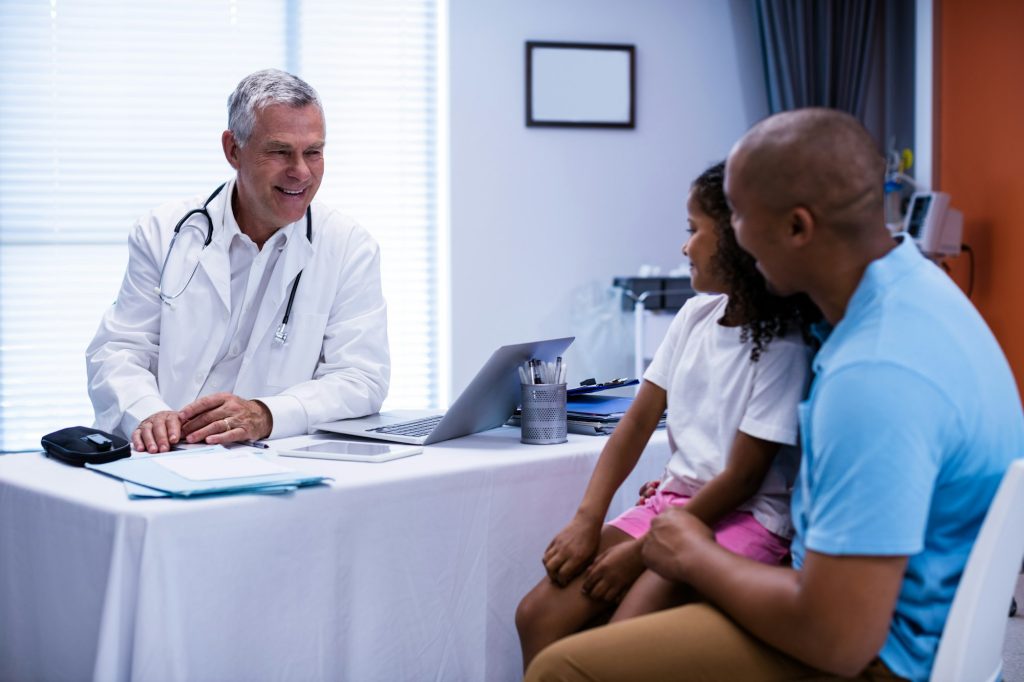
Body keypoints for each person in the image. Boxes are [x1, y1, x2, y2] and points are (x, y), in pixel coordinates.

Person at [525, 108, 1024, 682]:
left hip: (878, 654)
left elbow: (835, 639)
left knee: (566, 668)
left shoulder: (871, 375)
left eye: (737, 214)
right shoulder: (910, 291)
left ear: (797, 227)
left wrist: (694, 553)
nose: (730, 235)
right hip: (890, 599)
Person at [516, 161, 818, 668]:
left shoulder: (783, 346)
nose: (684, 246)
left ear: (739, 241)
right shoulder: (694, 317)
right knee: (537, 615)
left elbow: (744, 477)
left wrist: (640, 551)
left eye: (694, 230)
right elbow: (636, 423)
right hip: (673, 507)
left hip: (742, 519)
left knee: (621, 639)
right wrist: (588, 518)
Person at [86, 69, 389, 453]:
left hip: (274, 465)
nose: (301, 171)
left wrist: (266, 414)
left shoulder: (349, 248)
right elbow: (118, 349)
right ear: (233, 150)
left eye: (313, 152)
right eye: (280, 152)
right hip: (162, 457)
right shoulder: (163, 232)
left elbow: (361, 378)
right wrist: (146, 413)